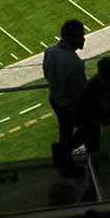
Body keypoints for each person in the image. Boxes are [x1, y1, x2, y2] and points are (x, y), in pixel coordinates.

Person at [44, 20, 88, 178]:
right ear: (72, 37)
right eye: (81, 36)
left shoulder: (50, 51)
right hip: (69, 105)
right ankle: (62, 153)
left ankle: (64, 158)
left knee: (66, 131)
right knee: (87, 129)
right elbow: (79, 93)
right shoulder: (74, 63)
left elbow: (47, 74)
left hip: (55, 99)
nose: (84, 39)